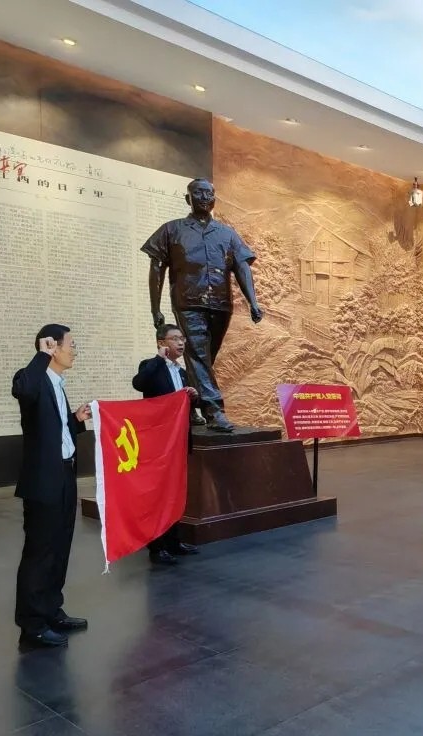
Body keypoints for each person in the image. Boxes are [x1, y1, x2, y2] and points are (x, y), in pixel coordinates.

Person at [142, 178, 264, 433]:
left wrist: (253, 302)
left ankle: (187, 404)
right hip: (188, 302)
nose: (204, 198)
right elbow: (156, 268)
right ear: (188, 198)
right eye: (198, 193)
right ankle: (214, 410)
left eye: (209, 193)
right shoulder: (172, 230)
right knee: (198, 355)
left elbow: (242, 267)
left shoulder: (227, 234)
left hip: (221, 305)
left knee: (203, 359)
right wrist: (155, 308)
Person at [11, 324, 93, 649]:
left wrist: (76, 420)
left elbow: (54, 430)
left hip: (65, 475)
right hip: (43, 481)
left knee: (60, 547)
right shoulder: (31, 378)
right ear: (52, 346)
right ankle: (32, 625)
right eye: (71, 344)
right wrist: (40, 356)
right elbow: (24, 391)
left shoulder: (58, 384)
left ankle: (51, 611)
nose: (75, 350)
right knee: (40, 552)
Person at [131, 324, 203, 565]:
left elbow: (187, 406)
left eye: (182, 338)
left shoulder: (181, 372)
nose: (181, 343)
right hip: (158, 444)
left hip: (178, 442)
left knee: (174, 493)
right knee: (157, 496)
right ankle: (156, 546)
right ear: (162, 342)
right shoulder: (150, 366)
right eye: (175, 339)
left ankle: (174, 542)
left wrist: (193, 397)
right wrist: (158, 358)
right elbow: (139, 384)